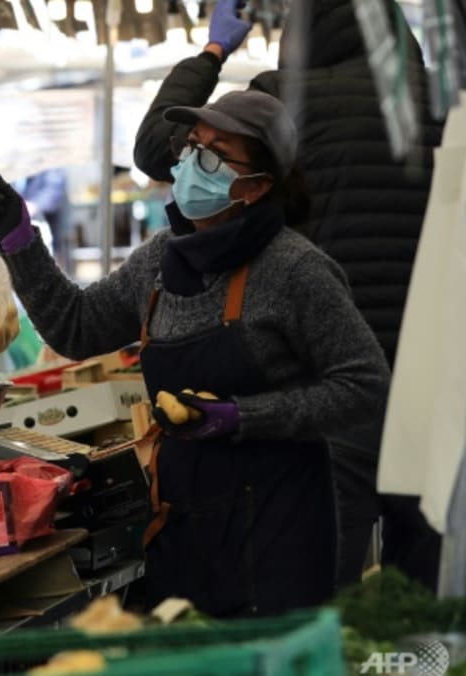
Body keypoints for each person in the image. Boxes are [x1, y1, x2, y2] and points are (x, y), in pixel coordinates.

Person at [0, 91, 389, 617]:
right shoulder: (159, 258)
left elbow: (364, 383)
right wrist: (20, 242)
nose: (193, 162)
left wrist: (243, 416)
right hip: (180, 520)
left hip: (278, 525)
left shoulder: (296, 270)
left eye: (215, 154)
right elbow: (76, 329)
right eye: (193, 146)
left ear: (258, 185)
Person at [131, 0, 445, 590]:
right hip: (436, 388)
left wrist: (214, 50)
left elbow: (155, 151)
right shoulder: (445, 102)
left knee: (326, 583)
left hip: (326, 384)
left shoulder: (286, 101)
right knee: (418, 594)